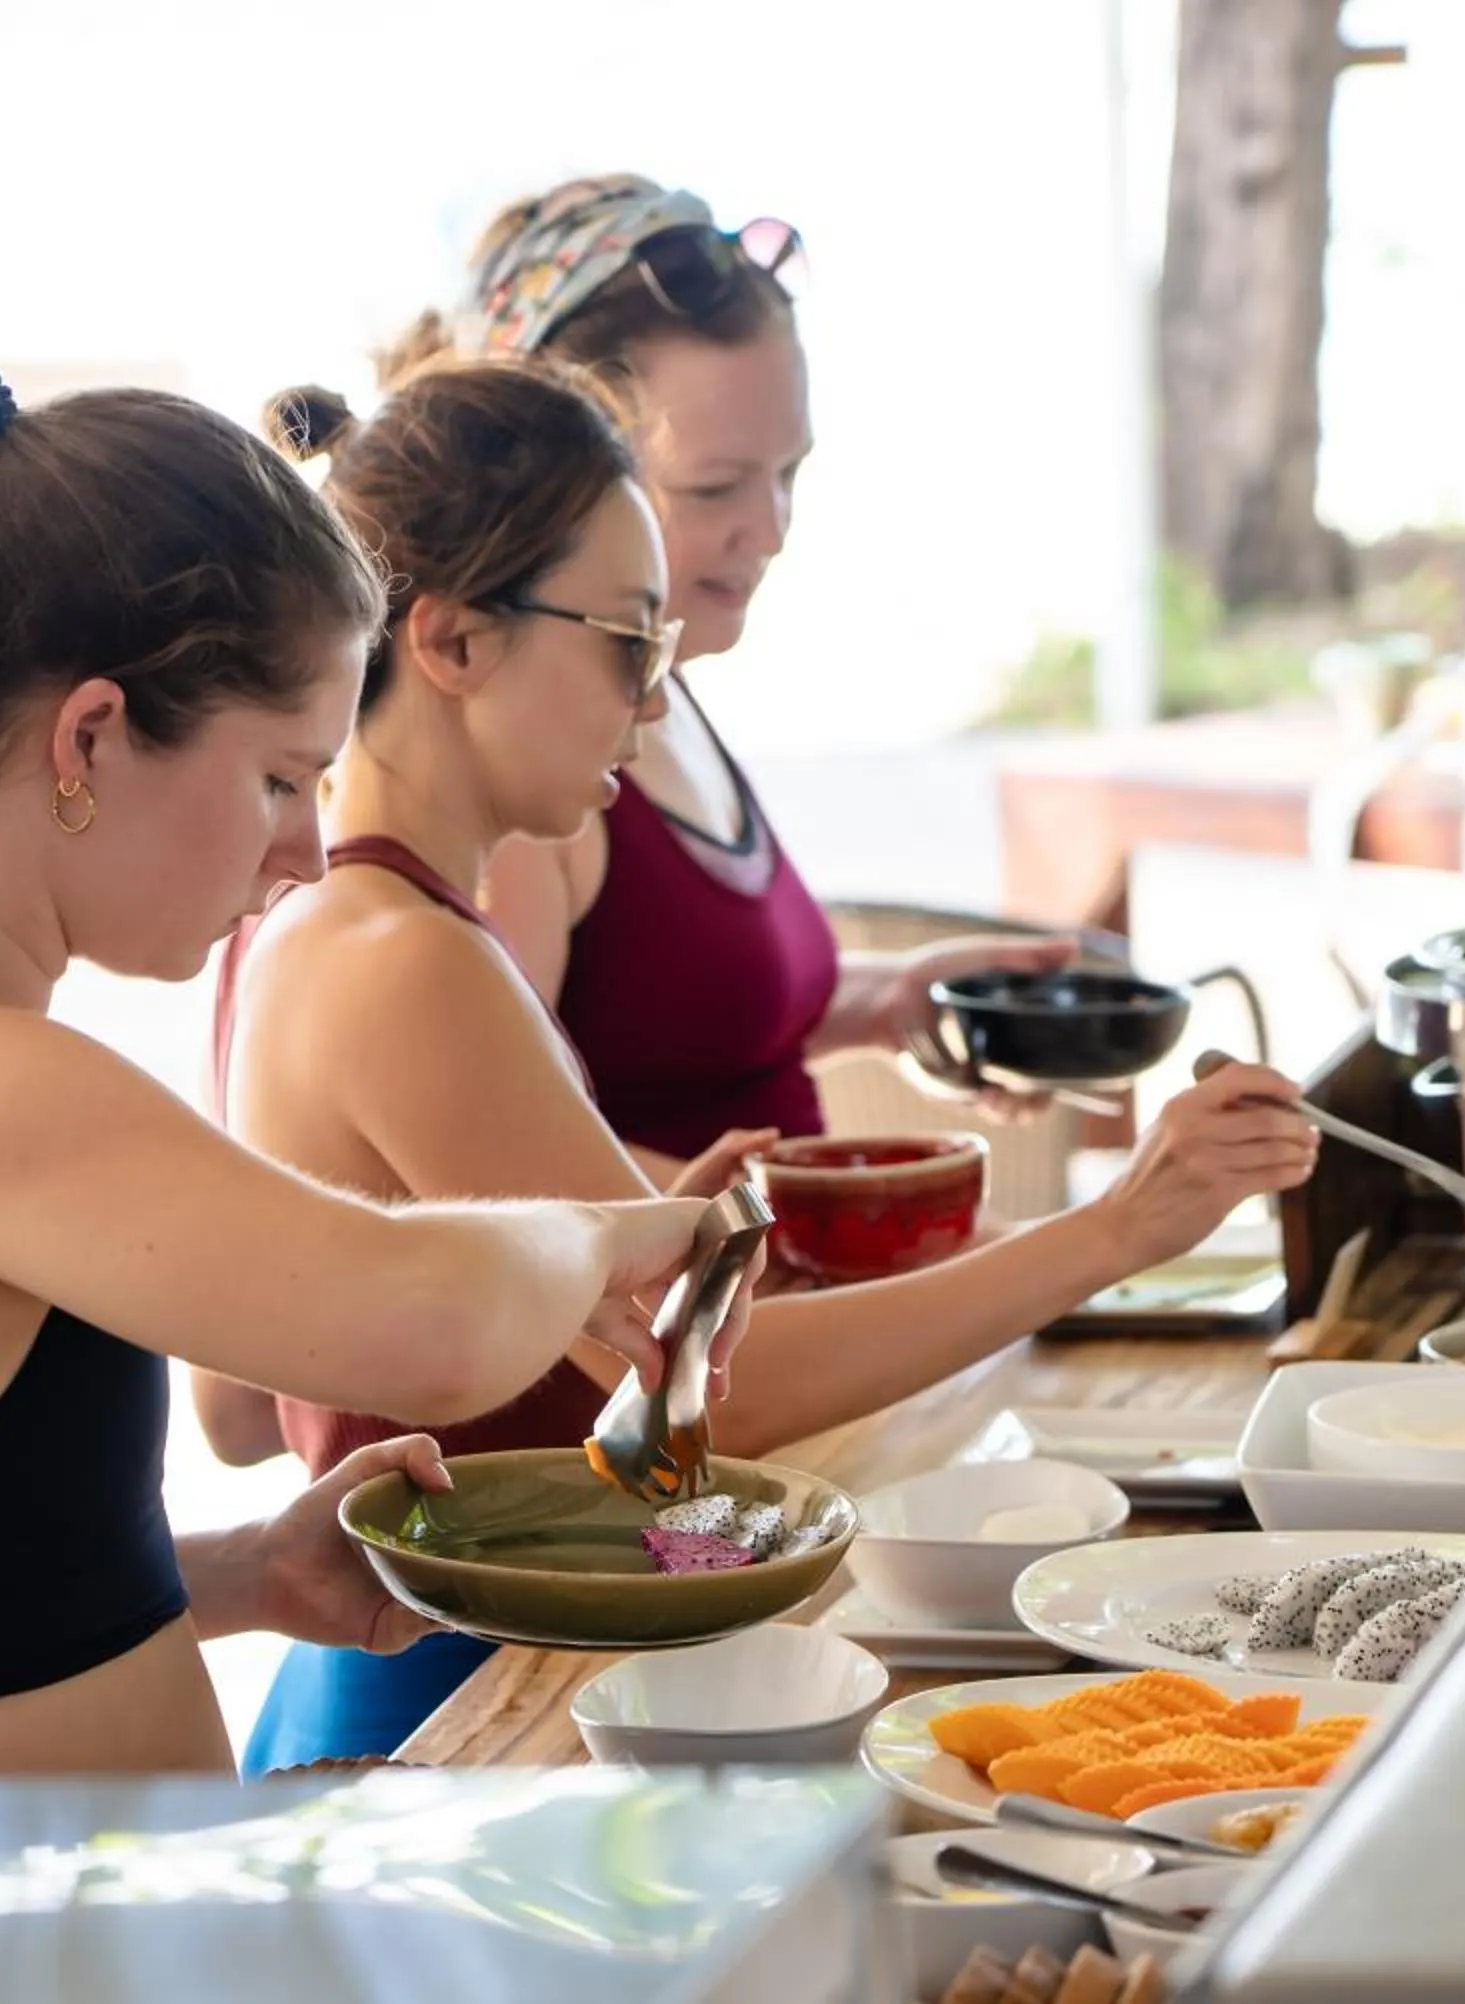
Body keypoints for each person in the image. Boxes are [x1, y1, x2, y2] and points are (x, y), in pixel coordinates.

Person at [0, 358, 739, 1783]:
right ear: (89, 737)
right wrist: (620, 1234)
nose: (306, 851)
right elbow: (427, 1322)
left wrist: (247, 1576)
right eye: (277, 779)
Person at [203, 359, 1317, 1768]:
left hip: (491, 1644)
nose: (654, 704)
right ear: (453, 642)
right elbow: (715, 1392)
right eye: (627, 643)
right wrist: (1119, 1228)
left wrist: (689, 1236)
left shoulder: (375, 925)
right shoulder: (402, 955)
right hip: (451, 1688)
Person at [381, 172, 1081, 1177]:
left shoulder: (662, 687)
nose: (773, 531)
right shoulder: (526, 770)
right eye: (715, 487)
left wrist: (888, 1004)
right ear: (548, 472)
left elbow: (669, 1026)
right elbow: (500, 1165)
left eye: (789, 472)